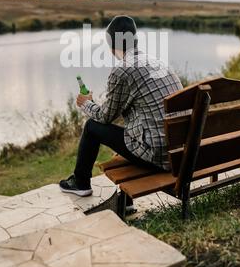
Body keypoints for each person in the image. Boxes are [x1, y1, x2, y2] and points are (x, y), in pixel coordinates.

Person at [59, 15, 183, 197]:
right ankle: (125, 199)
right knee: (127, 131)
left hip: (159, 157)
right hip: (180, 152)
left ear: (110, 45)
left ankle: (81, 182)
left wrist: (86, 104)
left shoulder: (122, 70)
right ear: (136, 39)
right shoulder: (158, 62)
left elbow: (105, 117)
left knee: (92, 127)